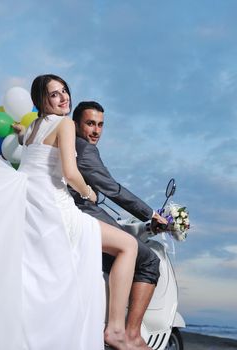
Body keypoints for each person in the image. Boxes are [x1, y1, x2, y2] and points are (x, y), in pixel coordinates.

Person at [14, 75, 137, 350]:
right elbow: (70, 173)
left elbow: (29, 149)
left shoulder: (33, 128)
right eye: (55, 94)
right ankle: (116, 329)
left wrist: (18, 132)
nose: (64, 97)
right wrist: (89, 193)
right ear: (42, 100)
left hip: (34, 211)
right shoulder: (65, 124)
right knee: (128, 246)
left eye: (64, 91)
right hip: (57, 210)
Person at [69, 101, 169, 350]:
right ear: (76, 123)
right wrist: (150, 214)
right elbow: (112, 188)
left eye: (100, 125)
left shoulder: (66, 144)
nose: (96, 131)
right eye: (90, 123)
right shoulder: (84, 149)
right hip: (84, 214)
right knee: (148, 261)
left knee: (125, 248)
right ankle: (131, 334)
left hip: (81, 213)